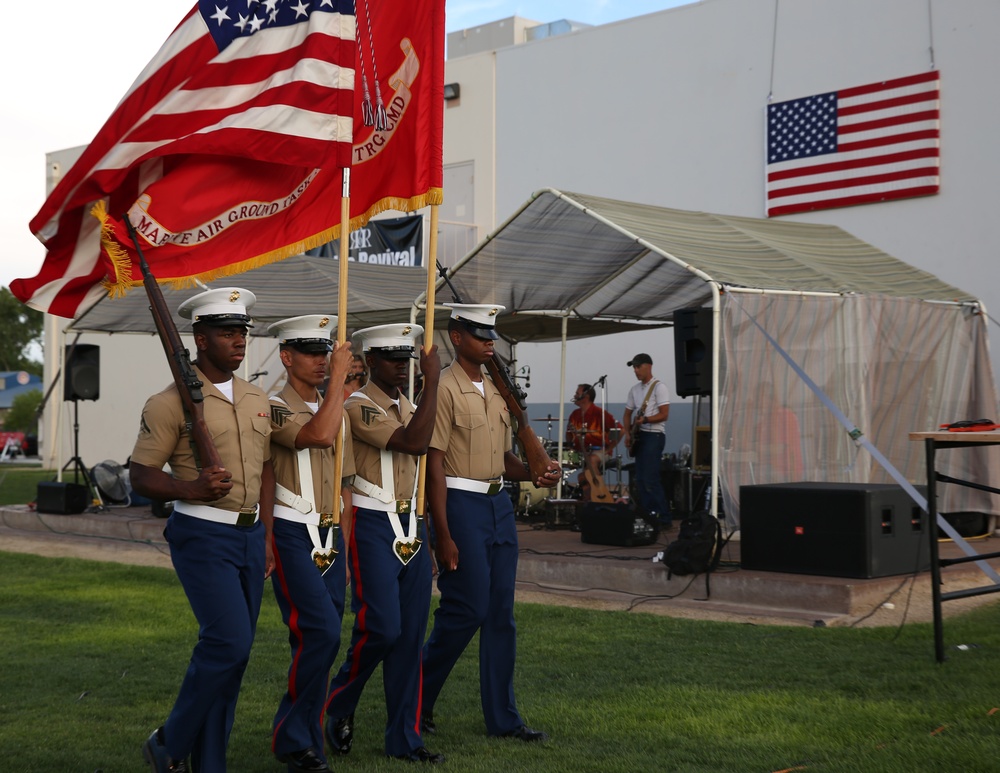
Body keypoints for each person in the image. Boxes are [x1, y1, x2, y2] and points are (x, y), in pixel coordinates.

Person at [131, 288, 274, 773]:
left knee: (236, 657)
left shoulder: (257, 396)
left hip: (251, 536)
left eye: (242, 332)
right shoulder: (168, 401)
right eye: (227, 332)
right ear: (199, 338)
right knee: (227, 642)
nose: (239, 341)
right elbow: (141, 476)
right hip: (203, 534)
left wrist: (269, 536)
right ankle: (170, 742)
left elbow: (267, 469)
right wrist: (190, 488)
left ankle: (209, 762)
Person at [421, 303, 560, 742]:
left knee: (501, 616)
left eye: (491, 334)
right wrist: (440, 534)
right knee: (465, 611)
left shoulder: (499, 391)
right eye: (479, 334)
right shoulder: (443, 388)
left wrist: (537, 468)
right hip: (460, 504)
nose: (489, 342)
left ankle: (505, 719)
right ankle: (415, 699)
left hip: (499, 504)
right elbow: (435, 466)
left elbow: (504, 459)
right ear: (456, 336)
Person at [324, 324, 444, 763]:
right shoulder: (359, 406)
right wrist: (433, 381)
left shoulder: (412, 405)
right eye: (391, 357)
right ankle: (338, 700)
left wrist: (428, 537)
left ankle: (404, 739)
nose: (401, 365)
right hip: (375, 525)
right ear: (370, 361)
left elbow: (425, 469)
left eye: (406, 358)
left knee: (410, 637)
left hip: (412, 525)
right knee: (382, 628)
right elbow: (413, 443)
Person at [266, 315, 354, 773]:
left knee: (320, 639)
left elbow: (346, 483)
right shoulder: (272, 407)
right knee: (320, 631)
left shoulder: (334, 406)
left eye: (326, 354)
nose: (322, 362)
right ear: (286, 356)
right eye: (312, 353)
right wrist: (340, 379)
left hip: (330, 534)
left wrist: (348, 545)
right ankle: (291, 736)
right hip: (291, 530)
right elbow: (316, 436)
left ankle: (307, 741)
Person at [622, 353, 672, 527]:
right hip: (641, 436)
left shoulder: (659, 387)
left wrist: (647, 420)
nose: (635, 370)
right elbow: (627, 413)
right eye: (634, 367)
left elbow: (664, 414)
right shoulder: (634, 390)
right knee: (641, 479)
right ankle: (648, 516)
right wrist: (628, 433)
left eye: (638, 366)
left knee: (650, 478)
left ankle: (663, 517)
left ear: (648, 366)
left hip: (654, 435)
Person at [566, 383, 622, 499]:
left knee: (592, 460)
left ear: (586, 397)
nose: (575, 396)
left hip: (599, 452)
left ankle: (601, 494)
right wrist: (570, 448)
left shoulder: (600, 414)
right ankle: (588, 499)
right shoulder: (574, 415)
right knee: (581, 476)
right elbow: (569, 436)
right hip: (581, 453)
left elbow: (620, 430)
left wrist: (610, 448)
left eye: (577, 393)